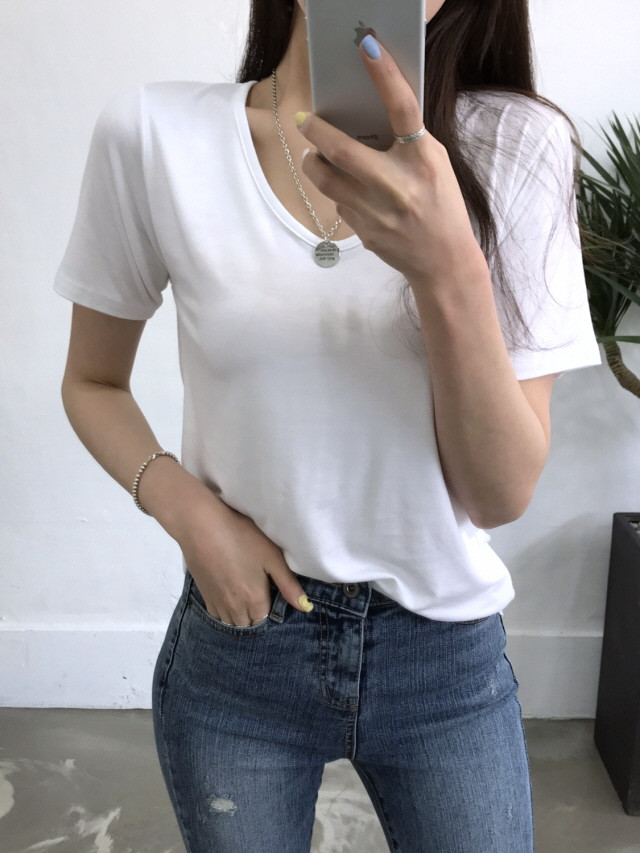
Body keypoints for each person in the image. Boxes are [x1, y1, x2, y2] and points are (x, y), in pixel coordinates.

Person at [54, 0, 601, 850]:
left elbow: (498, 494)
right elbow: (92, 381)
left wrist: (449, 266)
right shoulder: (155, 135)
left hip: (442, 655)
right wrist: (192, 515)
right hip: (242, 639)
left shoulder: (518, 145)